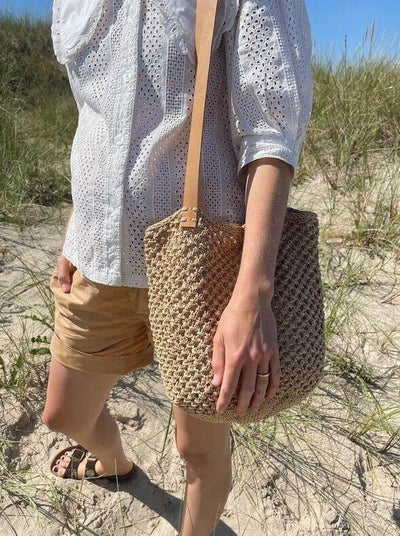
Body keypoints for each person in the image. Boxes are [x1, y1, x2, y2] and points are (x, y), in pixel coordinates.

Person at [42, 0, 313, 534]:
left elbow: (271, 133)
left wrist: (253, 293)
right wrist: (78, 226)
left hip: (204, 265)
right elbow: (97, 118)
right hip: (97, 253)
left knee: (199, 449)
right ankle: (114, 463)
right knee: (64, 414)